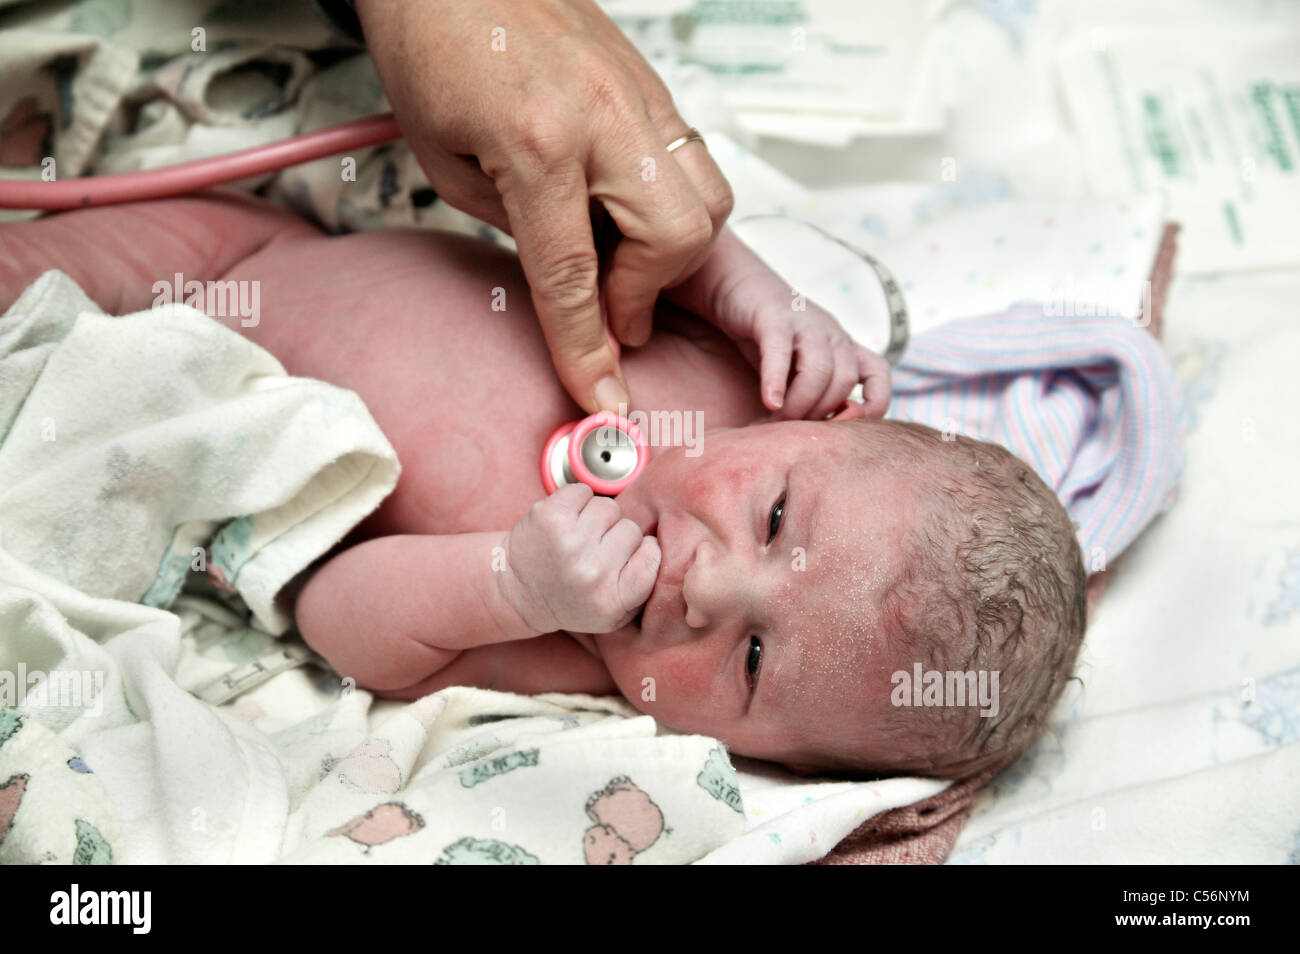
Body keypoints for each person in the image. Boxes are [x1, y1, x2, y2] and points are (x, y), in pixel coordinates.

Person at [351, 0, 890, 419]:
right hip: (417, 131)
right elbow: (649, 233)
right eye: (774, 515)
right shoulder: (764, 390)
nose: (709, 547)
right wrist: (734, 280)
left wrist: (516, 568)